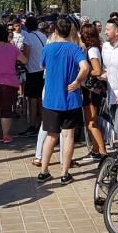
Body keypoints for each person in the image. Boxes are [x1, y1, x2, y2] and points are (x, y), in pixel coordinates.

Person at [37, 17, 90, 185]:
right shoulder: (76, 49)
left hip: (51, 99)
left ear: (55, 31)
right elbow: (85, 68)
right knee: (68, 136)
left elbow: (42, 66)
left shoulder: (48, 49)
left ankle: (44, 171)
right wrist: (77, 81)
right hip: (70, 99)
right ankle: (64, 173)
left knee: (51, 136)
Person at [0, 23, 28, 145]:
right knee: (6, 110)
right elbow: (25, 60)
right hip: (10, 83)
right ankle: (6, 136)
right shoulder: (13, 48)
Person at [79, 22, 107, 164]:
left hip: (91, 90)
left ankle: (102, 153)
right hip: (91, 89)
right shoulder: (94, 48)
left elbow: (97, 70)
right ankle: (96, 151)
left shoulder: (92, 51)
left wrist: (84, 71)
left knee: (91, 123)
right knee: (92, 122)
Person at [20, 16, 47, 136]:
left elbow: (26, 56)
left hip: (32, 71)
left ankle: (32, 125)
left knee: (32, 99)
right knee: (41, 98)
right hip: (43, 70)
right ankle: (43, 124)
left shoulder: (28, 37)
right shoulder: (42, 35)